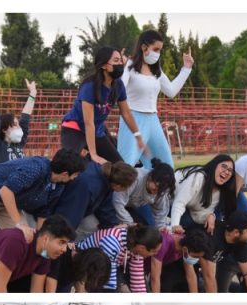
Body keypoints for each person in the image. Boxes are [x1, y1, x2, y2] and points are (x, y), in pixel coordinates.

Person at [0, 148, 86, 246]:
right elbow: (6, 191)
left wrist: (39, 239)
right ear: (65, 173)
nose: (75, 178)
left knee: (23, 238)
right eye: (75, 175)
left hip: (6, 202)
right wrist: (19, 223)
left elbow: (43, 214)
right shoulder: (36, 168)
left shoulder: (58, 186)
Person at [116, 30, 194, 166]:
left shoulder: (156, 70)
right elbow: (119, 88)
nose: (158, 54)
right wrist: (119, 69)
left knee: (166, 166)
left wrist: (186, 68)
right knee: (125, 165)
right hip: (132, 118)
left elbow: (171, 91)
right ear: (144, 47)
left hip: (153, 120)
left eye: (160, 50)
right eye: (156, 49)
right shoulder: (129, 65)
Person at [60, 47, 146, 165]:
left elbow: (126, 113)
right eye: (116, 60)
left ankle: (89, 160)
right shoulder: (89, 86)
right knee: (70, 164)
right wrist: (94, 154)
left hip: (97, 130)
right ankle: (88, 159)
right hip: (75, 129)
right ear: (104, 65)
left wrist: (138, 136)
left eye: (121, 60)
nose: (120, 64)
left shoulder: (118, 85)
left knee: (120, 168)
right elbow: (88, 123)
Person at [73, 223, 162, 293]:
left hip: (104, 267)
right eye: (154, 251)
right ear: (142, 247)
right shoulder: (112, 240)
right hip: (83, 263)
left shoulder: (137, 248)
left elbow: (138, 280)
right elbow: (108, 277)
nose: (155, 254)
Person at [170, 154, 238, 234]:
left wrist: (210, 216)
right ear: (214, 165)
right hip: (168, 199)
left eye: (230, 170)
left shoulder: (220, 191)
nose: (226, 172)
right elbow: (179, 203)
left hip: (186, 208)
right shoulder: (198, 177)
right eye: (223, 166)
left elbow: (199, 214)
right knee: (188, 224)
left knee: (209, 226)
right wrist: (175, 226)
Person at [0, 71, 35, 165]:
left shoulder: (19, 144)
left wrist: (33, 94)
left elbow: (25, 119)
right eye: (15, 124)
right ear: (4, 129)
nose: (19, 127)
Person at [203, 210, 247, 293]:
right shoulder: (212, 237)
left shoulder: (240, 241)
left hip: (204, 268)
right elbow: (208, 277)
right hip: (186, 265)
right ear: (236, 232)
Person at [112, 158, 176, 228]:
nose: (158, 191)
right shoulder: (136, 178)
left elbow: (160, 212)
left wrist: (160, 228)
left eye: (162, 190)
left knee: (148, 227)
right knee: (130, 227)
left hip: (135, 205)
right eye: (157, 187)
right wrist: (129, 223)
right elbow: (117, 201)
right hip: (113, 202)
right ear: (151, 177)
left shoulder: (162, 190)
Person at [149, 225, 213, 293]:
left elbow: (190, 276)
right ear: (185, 249)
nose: (197, 260)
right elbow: (155, 278)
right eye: (195, 257)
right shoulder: (164, 243)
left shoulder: (186, 244)